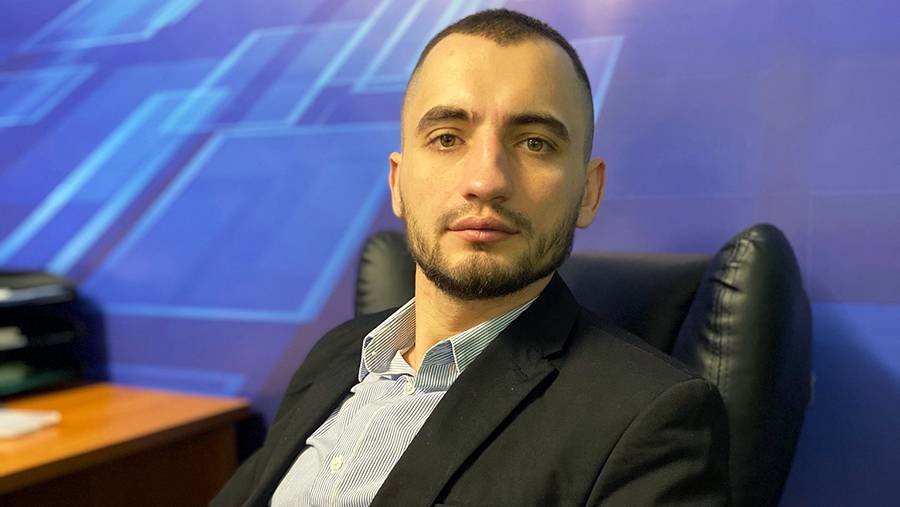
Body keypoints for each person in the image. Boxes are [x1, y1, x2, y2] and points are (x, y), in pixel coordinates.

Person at [212, 8, 730, 507]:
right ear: (397, 183)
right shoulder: (338, 352)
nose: (486, 180)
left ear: (588, 193)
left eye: (534, 143)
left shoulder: (654, 419)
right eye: (446, 138)